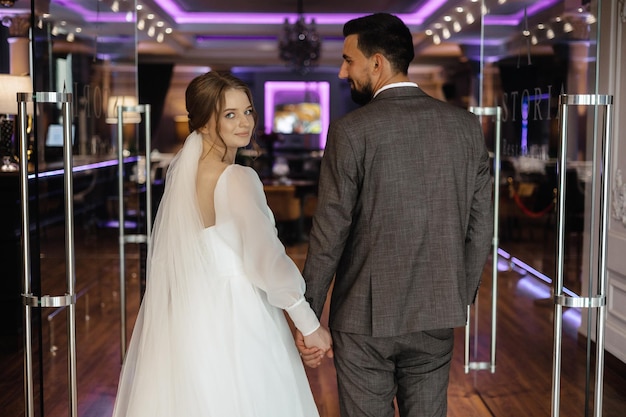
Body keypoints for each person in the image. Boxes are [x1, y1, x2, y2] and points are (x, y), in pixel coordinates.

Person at [295, 13, 493, 417]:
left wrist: (308, 316)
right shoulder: (465, 128)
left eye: (349, 60)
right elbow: (481, 227)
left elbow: (330, 231)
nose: (341, 71)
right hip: (436, 310)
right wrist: (456, 295)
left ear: (377, 63)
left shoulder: (351, 131)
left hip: (364, 318)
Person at [111, 71, 332, 417]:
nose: (244, 123)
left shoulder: (186, 176)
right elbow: (267, 260)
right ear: (203, 122)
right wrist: (309, 324)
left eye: (247, 111)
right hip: (238, 315)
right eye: (230, 114)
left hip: (190, 317)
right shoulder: (237, 177)